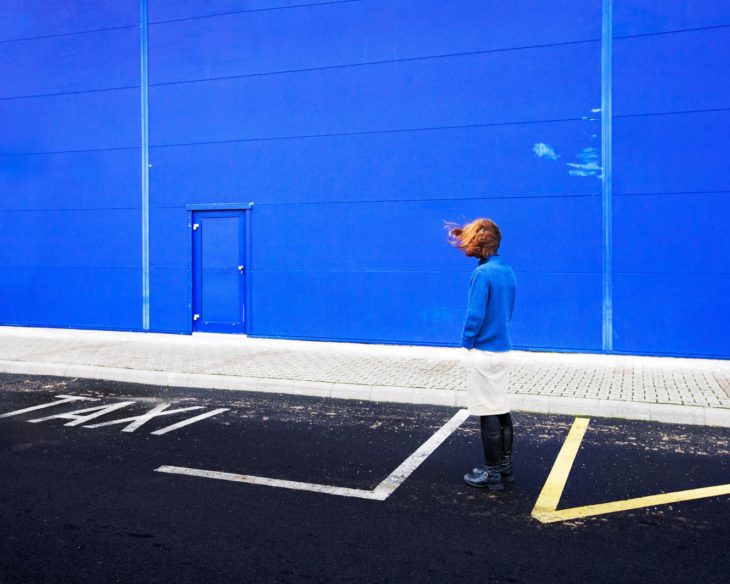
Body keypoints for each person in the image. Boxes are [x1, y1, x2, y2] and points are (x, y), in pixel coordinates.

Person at [447, 218, 517, 491]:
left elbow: (474, 315)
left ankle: (491, 473)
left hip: (484, 351)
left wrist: (466, 344)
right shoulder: (507, 270)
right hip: (503, 349)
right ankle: (505, 469)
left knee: (487, 411)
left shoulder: (482, 274)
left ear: (479, 244)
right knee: (501, 409)